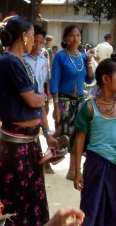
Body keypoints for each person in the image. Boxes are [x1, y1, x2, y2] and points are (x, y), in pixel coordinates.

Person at [0, 15, 50, 225]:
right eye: (33, 36)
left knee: (30, 194)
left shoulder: (19, 62)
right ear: (24, 37)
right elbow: (33, 100)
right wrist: (42, 98)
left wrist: (48, 132)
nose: (34, 41)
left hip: (29, 141)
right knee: (16, 195)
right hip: (16, 144)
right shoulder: (9, 62)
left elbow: (36, 101)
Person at [74, 54, 116, 226]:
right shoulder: (88, 107)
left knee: (112, 209)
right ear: (106, 79)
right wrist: (77, 170)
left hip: (115, 166)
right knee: (90, 207)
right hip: (94, 164)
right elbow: (79, 140)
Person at [50, 25, 95, 181]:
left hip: (80, 102)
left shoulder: (83, 57)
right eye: (71, 35)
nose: (75, 38)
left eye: (78, 35)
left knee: (78, 135)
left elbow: (89, 79)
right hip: (63, 101)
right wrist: (55, 106)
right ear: (65, 39)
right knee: (62, 133)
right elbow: (54, 80)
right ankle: (48, 160)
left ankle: (73, 170)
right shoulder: (60, 57)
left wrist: (89, 61)